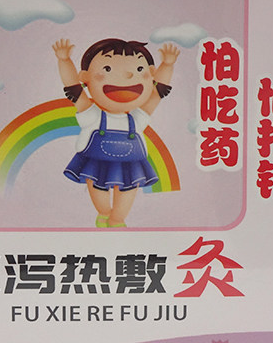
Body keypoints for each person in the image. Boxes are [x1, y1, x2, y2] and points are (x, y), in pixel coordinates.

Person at [53, 37, 180, 227]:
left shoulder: (137, 118)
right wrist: (64, 60)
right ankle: (104, 215)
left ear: (151, 76)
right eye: (107, 69)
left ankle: (117, 222)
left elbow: (157, 93)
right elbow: (73, 88)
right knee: (102, 203)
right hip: (96, 165)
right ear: (85, 77)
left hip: (131, 166)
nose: (128, 75)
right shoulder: (92, 115)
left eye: (139, 70)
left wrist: (167, 65)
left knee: (123, 205)